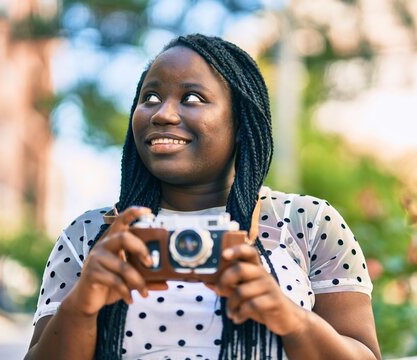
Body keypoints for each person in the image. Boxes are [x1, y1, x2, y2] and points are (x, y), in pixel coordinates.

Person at [25, 34, 381, 360]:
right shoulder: (90, 233)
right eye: (150, 97)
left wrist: (289, 318)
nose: (162, 113)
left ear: (241, 125)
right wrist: (83, 303)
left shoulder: (308, 222)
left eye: (192, 98)